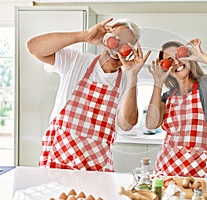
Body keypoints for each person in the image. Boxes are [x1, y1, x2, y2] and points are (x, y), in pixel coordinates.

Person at [26, 18, 151, 172]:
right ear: (106, 40)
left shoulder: (126, 80)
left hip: (97, 169)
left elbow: (127, 124)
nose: (118, 49)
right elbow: (33, 47)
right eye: (115, 41)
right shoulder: (76, 61)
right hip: (57, 162)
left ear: (132, 51)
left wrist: (132, 76)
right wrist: (84, 36)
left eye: (125, 45)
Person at [146, 38, 207, 178]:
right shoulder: (166, 96)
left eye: (179, 56)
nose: (176, 63)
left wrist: (202, 57)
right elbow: (151, 124)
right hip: (167, 170)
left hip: (200, 174)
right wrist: (157, 82)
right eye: (170, 61)